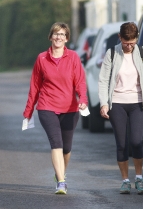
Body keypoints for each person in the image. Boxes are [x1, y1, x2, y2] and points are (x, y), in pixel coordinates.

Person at [98, 22, 143, 195]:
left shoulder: (142, 53)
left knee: (136, 141)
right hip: (117, 103)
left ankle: (139, 178)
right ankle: (125, 180)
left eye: (132, 43)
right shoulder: (112, 54)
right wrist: (104, 103)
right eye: (126, 43)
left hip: (138, 103)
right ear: (120, 38)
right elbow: (103, 80)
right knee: (121, 143)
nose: (129, 46)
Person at [23, 22, 88, 195]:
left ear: (66, 38)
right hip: (47, 106)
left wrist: (83, 99)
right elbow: (35, 87)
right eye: (55, 34)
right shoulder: (42, 58)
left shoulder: (73, 57)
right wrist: (28, 111)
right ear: (50, 37)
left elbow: (80, 81)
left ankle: (61, 172)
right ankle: (61, 182)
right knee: (56, 143)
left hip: (70, 108)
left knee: (66, 148)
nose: (58, 37)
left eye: (62, 34)